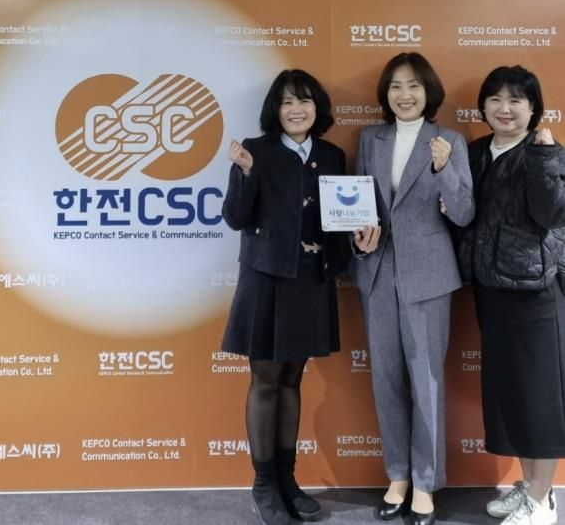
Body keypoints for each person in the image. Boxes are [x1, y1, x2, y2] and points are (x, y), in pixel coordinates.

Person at [350, 52, 475, 525]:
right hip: (377, 272)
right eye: (396, 86)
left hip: (428, 276)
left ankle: (425, 481)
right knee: (384, 378)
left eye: (414, 86)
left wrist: (445, 170)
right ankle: (397, 475)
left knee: (426, 380)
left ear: (429, 92)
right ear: (386, 94)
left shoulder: (449, 141)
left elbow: (463, 213)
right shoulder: (371, 138)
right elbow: (356, 203)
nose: (405, 95)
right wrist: (358, 240)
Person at [221, 69, 346, 525]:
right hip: (265, 280)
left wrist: (357, 240)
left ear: (318, 108)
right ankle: (264, 485)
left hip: (312, 279)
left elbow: (341, 216)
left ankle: (288, 481)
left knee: (293, 379)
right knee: (266, 380)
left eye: (305, 101)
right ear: (275, 109)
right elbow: (236, 218)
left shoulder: (332, 155)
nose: (297, 110)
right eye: (288, 101)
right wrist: (245, 173)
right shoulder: (255, 151)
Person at [456, 65, 565, 525]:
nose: (505, 108)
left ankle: (542, 501)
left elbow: (550, 214)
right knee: (514, 396)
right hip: (492, 289)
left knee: (539, 396)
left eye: (516, 100)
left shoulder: (546, 152)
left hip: (535, 293)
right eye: (495, 99)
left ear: (534, 109)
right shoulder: (476, 151)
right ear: (483, 106)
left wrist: (545, 158)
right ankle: (529, 487)